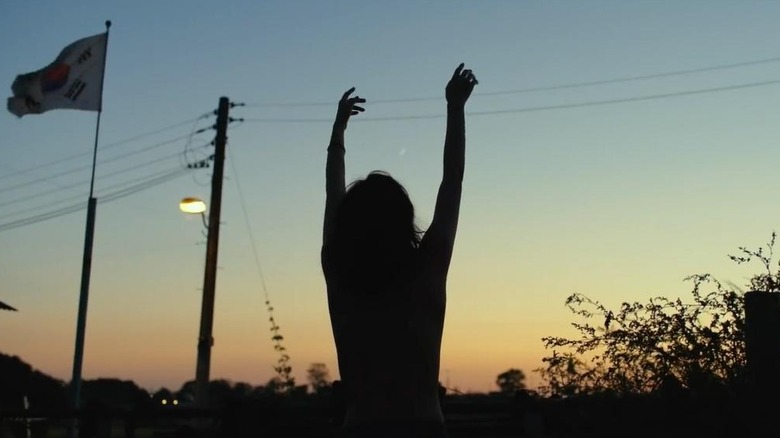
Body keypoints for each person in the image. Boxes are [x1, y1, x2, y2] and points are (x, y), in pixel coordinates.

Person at [321, 63, 477, 438]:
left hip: (360, 427)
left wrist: (338, 131)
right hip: (423, 427)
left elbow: (333, 195)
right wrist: (455, 108)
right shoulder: (428, 267)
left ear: (349, 225)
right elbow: (452, 179)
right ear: (405, 218)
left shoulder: (339, 269)